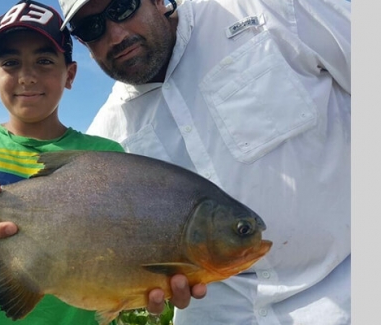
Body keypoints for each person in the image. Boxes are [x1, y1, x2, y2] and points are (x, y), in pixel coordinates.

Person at [53, 0, 351, 324]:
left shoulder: (268, 9)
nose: (115, 35)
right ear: (81, 41)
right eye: (90, 27)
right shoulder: (106, 139)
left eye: (123, 7)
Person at [0, 1, 128, 323]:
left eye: (44, 61)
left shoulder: (107, 156)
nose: (27, 77)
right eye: (11, 63)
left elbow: (119, 257)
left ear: (70, 74)